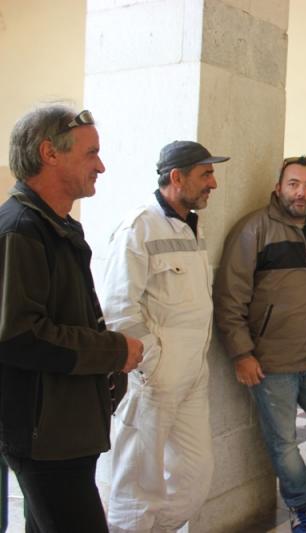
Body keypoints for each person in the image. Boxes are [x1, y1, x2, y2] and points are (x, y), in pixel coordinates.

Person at [0, 105, 142, 532]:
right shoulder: (22, 229)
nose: (101, 166)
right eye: (91, 153)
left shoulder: (53, 225)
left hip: (65, 427)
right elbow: (19, 335)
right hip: (46, 436)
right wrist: (113, 351)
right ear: (50, 153)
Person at [214, 156, 306, 533]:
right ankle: (302, 507)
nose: (301, 192)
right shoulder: (253, 229)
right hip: (271, 363)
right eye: (293, 184)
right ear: (278, 187)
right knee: (284, 442)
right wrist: (242, 353)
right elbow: (230, 297)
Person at [101, 140, 228, 532]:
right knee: (136, 490)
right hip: (153, 382)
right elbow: (117, 308)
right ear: (177, 177)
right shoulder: (139, 226)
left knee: (194, 480)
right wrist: (153, 362)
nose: (213, 183)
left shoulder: (192, 226)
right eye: (206, 174)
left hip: (192, 377)